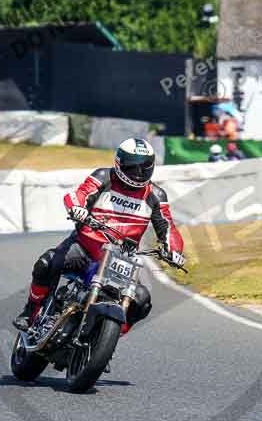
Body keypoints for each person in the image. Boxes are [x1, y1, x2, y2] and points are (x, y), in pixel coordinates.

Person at [13, 138, 185, 333]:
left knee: (142, 300)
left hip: (121, 259)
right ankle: (31, 311)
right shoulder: (103, 176)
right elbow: (79, 195)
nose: (138, 173)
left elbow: (168, 227)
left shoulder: (156, 195)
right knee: (46, 263)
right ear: (119, 163)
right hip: (85, 248)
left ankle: (107, 340)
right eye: (132, 167)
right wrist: (77, 208)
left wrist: (174, 250)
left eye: (144, 167)